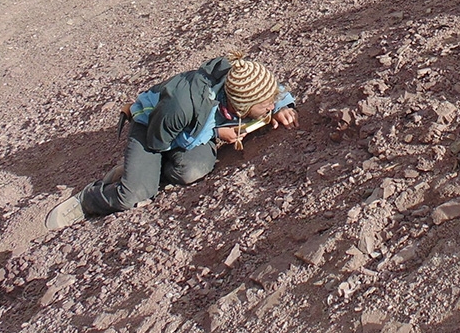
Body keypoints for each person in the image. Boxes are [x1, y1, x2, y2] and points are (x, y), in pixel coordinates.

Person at [45, 52, 298, 230]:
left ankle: (139, 172)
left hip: (194, 128)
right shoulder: (182, 105)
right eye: (267, 105)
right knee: (134, 195)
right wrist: (216, 134)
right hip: (153, 126)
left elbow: (270, 87)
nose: (271, 105)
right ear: (242, 105)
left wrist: (282, 106)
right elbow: (159, 140)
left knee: (191, 171)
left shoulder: (242, 78)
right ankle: (88, 199)